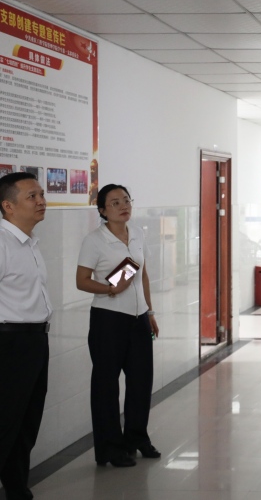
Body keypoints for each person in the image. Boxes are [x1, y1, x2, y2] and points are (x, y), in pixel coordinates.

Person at [76, 184, 160, 468]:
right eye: (115, 203)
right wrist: (109, 289)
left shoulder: (136, 233)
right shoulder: (94, 240)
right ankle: (110, 448)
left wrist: (150, 312)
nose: (123, 206)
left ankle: (136, 438)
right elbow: (81, 281)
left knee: (141, 382)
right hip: (108, 319)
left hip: (139, 318)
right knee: (106, 386)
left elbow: (143, 275)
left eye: (126, 200)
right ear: (102, 210)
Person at [0, 172, 51, 500]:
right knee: (5, 422)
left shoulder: (30, 242)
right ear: (8, 206)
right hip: (9, 343)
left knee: (26, 422)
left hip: (35, 340)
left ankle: (17, 489)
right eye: (32, 196)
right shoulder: (2, 243)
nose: (41, 201)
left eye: (41, 194)